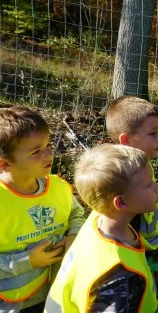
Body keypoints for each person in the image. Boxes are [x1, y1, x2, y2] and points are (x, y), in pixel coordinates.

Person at [45, 144, 158, 312]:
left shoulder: (98, 219)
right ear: (121, 202)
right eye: (149, 184)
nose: (157, 187)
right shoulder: (118, 275)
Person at [0, 107, 85, 313]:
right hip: (14, 304)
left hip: (57, 292)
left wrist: (74, 234)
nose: (49, 153)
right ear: (5, 163)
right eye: (36, 151)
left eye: (48, 145)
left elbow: (76, 214)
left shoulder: (57, 187)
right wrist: (26, 261)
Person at [103, 95, 158, 271]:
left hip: (149, 245)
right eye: (152, 133)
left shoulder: (143, 165)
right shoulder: (124, 180)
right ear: (126, 140)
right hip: (137, 251)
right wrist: (150, 247)